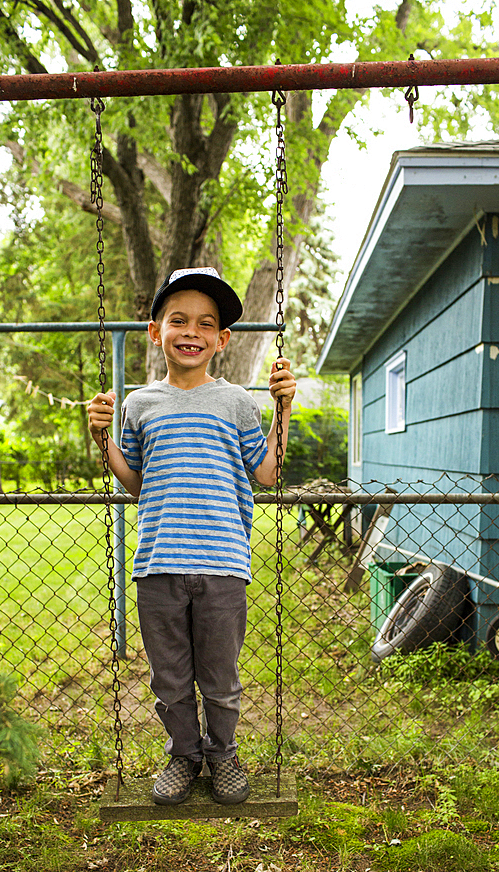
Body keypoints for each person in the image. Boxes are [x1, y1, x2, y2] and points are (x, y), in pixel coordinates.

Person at [87, 266, 297, 806]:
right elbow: (135, 481)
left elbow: (268, 472)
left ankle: (222, 755)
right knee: (171, 680)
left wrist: (284, 409)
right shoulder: (139, 404)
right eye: (177, 320)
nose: (191, 332)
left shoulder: (236, 403)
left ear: (221, 340)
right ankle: (184, 756)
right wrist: (101, 439)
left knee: (220, 679)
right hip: (157, 564)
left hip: (223, 563)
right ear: (155, 331)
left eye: (206, 324)